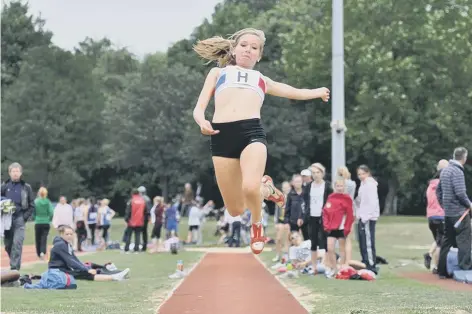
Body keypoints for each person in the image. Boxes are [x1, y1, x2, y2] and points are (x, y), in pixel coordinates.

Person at [192, 28, 330, 254]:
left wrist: (316, 92)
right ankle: (267, 190)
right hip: (221, 137)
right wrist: (202, 122)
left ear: (259, 55)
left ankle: (257, 227)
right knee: (235, 209)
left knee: (248, 186)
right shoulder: (218, 74)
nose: (248, 50)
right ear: (234, 49)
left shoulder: (261, 79)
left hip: (251, 133)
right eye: (244, 45)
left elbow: (291, 91)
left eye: (254, 48)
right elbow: (199, 108)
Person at [436, 147, 472, 278]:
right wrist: (470, 205)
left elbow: (438, 191)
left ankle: (441, 271)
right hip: (460, 214)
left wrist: (444, 205)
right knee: (465, 241)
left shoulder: (445, 171)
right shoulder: (457, 172)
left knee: (447, 241)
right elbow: (460, 193)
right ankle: (465, 270)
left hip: (449, 214)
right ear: (464, 157)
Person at [49, 225, 129, 281]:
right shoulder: (61, 245)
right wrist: (86, 270)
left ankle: (117, 272)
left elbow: (74, 259)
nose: (69, 236)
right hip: (58, 271)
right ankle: (114, 277)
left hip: (64, 269)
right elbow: (71, 261)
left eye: (71, 234)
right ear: (61, 234)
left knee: (89, 267)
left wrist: (86, 268)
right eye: (67, 234)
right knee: (86, 274)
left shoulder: (66, 243)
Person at [1, 162, 35, 270]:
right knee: (8, 245)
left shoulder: (26, 187)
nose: (15, 174)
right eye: (13, 171)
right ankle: (14, 262)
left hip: (20, 218)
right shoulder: (4, 186)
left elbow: (31, 205)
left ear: (21, 173)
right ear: (9, 173)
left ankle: (14, 269)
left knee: (17, 243)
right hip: (6, 219)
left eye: (17, 171)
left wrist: (25, 217)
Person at [303, 163, 333, 274]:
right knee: (313, 242)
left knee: (325, 241)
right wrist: (304, 215)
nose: (316, 175)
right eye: (313, 173)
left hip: (324, 217)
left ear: (322, 173)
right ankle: (314, 267)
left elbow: (330, 201)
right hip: (312, 216)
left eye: (318, 172)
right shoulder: (308, 186)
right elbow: (306, 202)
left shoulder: (327, 186)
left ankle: (328, 266)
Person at [322, 178, 354, 278]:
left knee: (342, 249)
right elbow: (326, 211)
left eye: (341, 186)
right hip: (331, 227)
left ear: (344, 187)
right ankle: (334, 268)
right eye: (338, 186)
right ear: (335, 187)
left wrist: (347, 227)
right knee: (330, 248)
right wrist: (326, 225)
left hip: (341, 227)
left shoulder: (347, 198)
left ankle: (341, 268)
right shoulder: (331, 197)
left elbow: (350, 214)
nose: (340, 188)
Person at [355, 165, 380, 274]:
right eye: (359, 174)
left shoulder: (370, 185)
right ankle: (365, 262)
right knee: (362, 241)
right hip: (362, 216)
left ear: (368, 173)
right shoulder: (362, 185)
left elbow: (372, 202)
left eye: (363, 174)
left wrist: (366, 217)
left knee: (368, 241)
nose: (361, 176)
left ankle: (371, 264)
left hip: (368, 218)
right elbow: (360, 201)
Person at [424, 159, 448, 272]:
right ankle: (438, 267)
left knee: (438, 239)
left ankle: (429, 254)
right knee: (441, 244)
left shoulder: (430, 185)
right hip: (441, 216)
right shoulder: (443, 184)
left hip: (431, 217)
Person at [272, 181, 291, 262]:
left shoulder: (292, 197)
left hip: (289, 221)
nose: (286, 189)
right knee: (278, 239)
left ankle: (286, 255)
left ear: (289, 187)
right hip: (280, 221)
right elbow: (277, 210)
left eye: (287, 187)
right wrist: (275, 222)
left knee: (287, 239)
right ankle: (278, 255)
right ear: (282, 189)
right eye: (284, 187)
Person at [33, 187, 54, 260]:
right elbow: (51, 212)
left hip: (38, 221)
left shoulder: (36, 201)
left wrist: (35, 217)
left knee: (37, 238)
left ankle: (38, 253)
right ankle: (43, 251)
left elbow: (33, 211)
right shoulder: (47, 202)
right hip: (46, 222)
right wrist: (48, 218)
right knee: (44, 238)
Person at [124, 189, 146, 253]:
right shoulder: (142, 201)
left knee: (129, 235)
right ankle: (136, 249)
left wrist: (126, 219)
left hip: (131, 221)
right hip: (140, 221)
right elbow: (145, 211)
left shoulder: (131, 201)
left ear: (132, 194)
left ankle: (127, 249)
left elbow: (128, 211)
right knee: (138, 235)